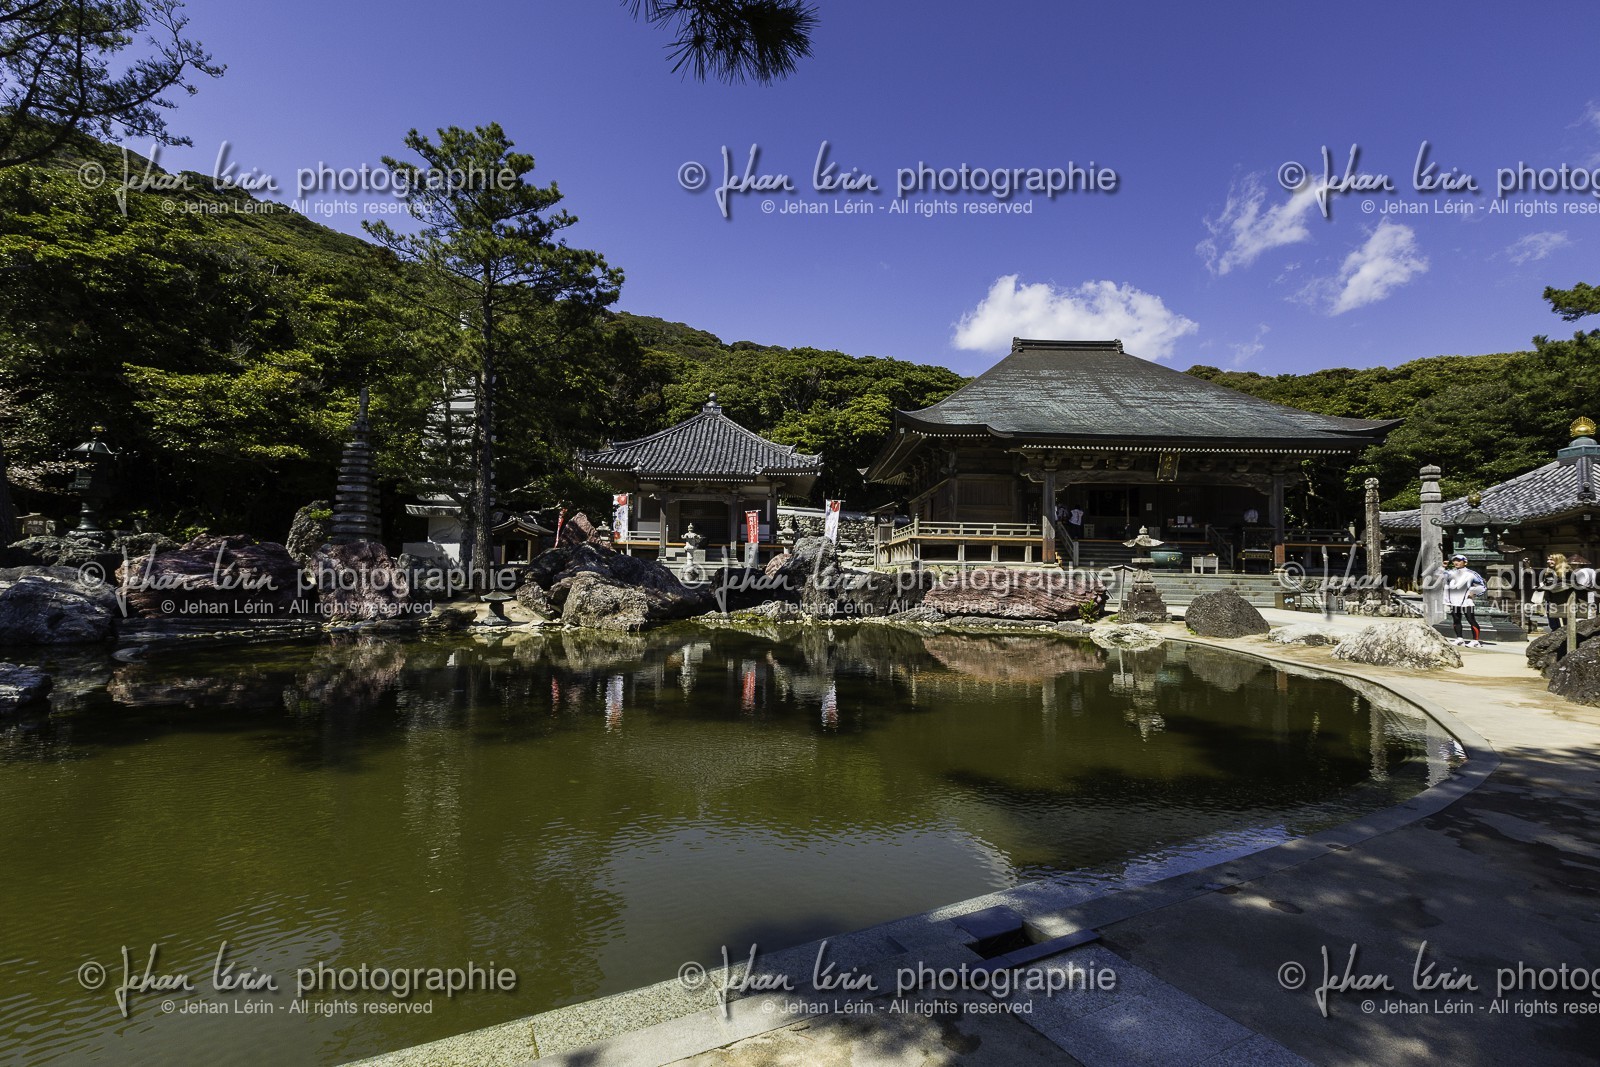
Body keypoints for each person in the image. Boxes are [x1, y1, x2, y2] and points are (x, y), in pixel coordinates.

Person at [1440, 553, 1487, 646]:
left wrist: (1473, 592)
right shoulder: (1451, 572)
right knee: (1456, 619)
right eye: (1454, 560)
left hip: (1466, 600)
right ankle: (1459, 638)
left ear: (1465, 562)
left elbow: (1482, 586)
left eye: (1459, 560)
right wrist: (1443, 567)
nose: (1456, 562)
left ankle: (1475, 641)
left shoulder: (1471, 573)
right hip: (1453, 600)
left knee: (1470, 619)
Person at [1544, 553, 1574, 630]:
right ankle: (1555, 634)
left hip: (1565, 600)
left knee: (1566, 622)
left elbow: (1571, 585)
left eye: (1551, 560)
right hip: (1550, 599)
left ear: (1558, 561)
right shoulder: (1549, 571)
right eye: (1548, 559)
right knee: (1553, 622)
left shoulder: (1567, 572)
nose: (1548, 561)